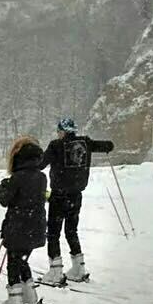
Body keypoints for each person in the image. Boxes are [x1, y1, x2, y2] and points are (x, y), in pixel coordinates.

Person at [40, 118, 114, 284]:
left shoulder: (55, 146)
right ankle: (79, 268)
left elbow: (40, 164)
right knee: (71, 231)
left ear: (63, 131)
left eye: (59, 131)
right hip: (76, 196)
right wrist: (107, 146)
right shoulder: (85, 143)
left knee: (53, 233)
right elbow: (108, 145)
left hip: (58, 196)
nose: (58, 134)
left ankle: (55, 271)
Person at [0, 137, 48, 304]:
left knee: (13, 260)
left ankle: (15, 299)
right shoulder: (42, 177)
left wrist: (3, 187)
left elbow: (5, 200)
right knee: (22, 258)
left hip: (18, 225)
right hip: (37, 226)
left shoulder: (17, 177)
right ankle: (30, 294)